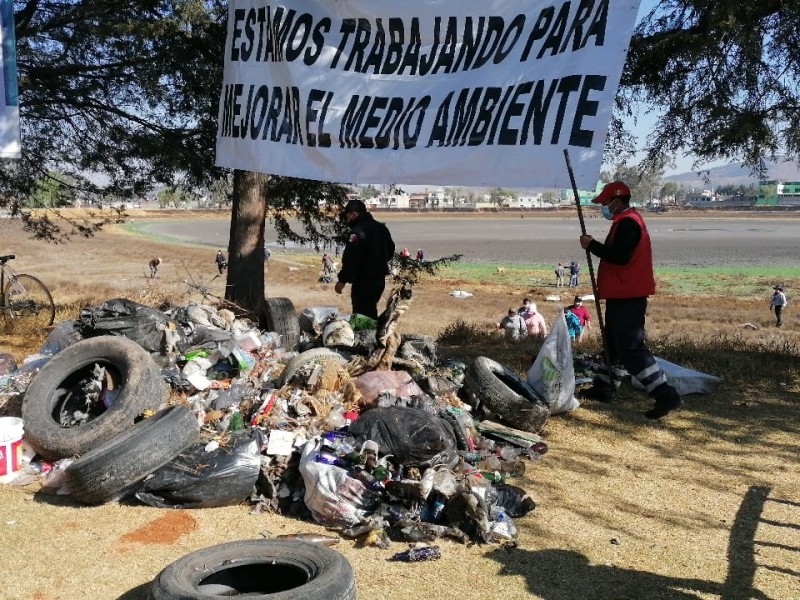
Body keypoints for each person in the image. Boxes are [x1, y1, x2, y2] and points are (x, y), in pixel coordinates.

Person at [578, 181, 682, 420]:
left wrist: (591, 245)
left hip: (628, 294)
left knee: (631, 349)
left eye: (605, 202)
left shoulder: (628, 223)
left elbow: (620, 257)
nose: (603, 206)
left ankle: (665, 394)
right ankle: (604, 388)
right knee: (613, 344)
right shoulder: (626, 220)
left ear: (616, 200)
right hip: (622, 293)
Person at [335, 199, 395, 320]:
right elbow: (390, 250)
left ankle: (366, 337)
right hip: (379, 280)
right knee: (370, 311)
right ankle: (372, 333)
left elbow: (351, 259)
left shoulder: (357, 233)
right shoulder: (381, 228)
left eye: (348, 217)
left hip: (364, 281)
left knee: (363, 316)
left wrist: (342, 281)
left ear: (354, 214)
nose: (348, 220)